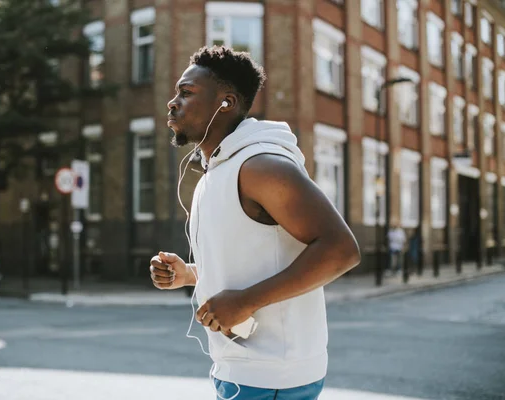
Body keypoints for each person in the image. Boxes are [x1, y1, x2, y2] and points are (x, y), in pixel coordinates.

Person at [149, 46, 361, 400]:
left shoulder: (261, 166)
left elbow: (341, 250)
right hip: (239, 371)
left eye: (186, 93)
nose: (172, 102)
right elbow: (254, 259)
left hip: (272, 375)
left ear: (226, 103)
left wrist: (246, 301)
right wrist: (189, 273)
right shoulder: (215, 174)